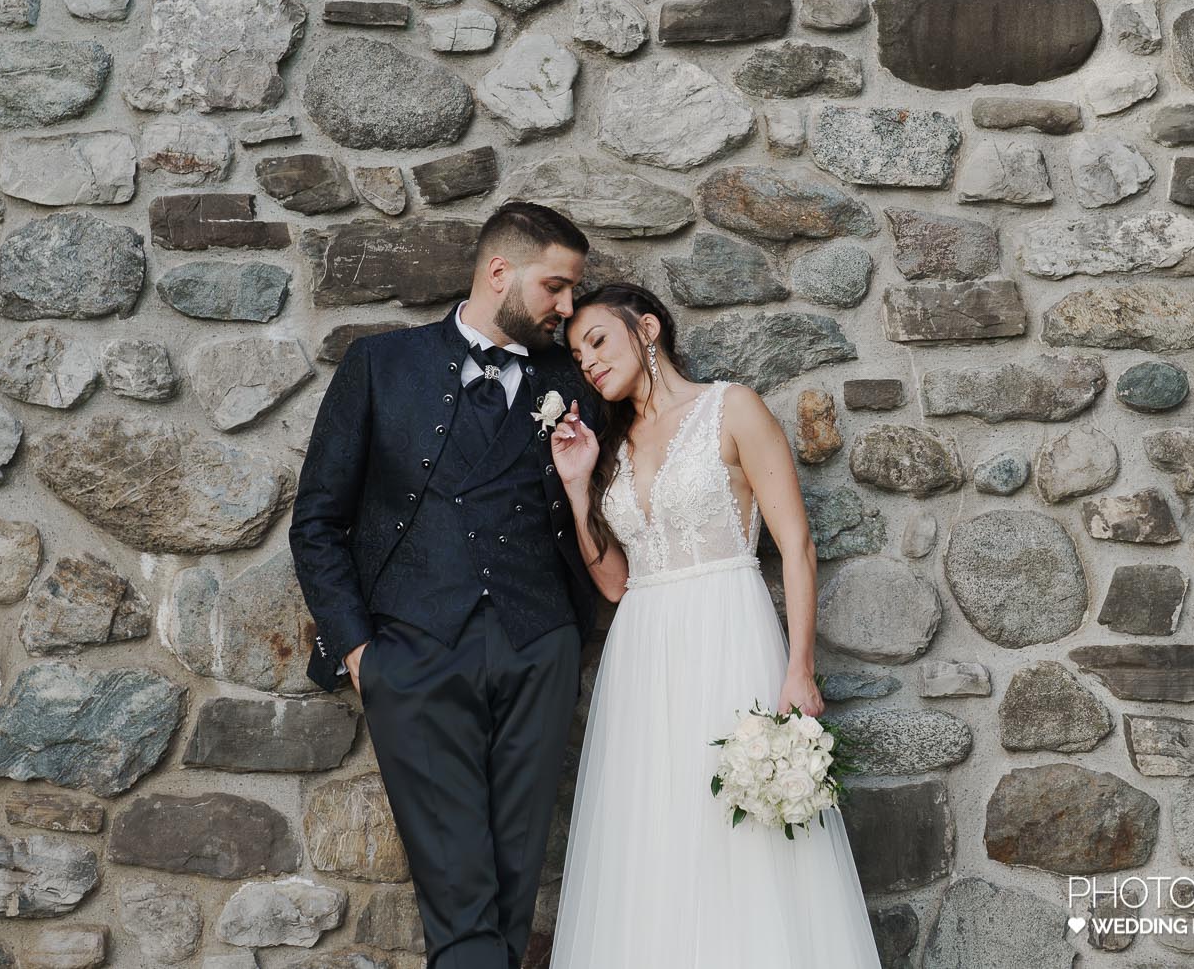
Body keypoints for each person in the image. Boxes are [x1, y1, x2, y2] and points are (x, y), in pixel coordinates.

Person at [289, 201, 606, 969]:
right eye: (555, 287)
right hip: (413, 655)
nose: (568, 308)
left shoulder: (571, 379)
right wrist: (362, 652)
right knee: (461, 896)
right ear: (499, 272)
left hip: (539, 652)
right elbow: (317, 521)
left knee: (509, 889)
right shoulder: (380, 365)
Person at [545, 280, 883, 968]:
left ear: (647, 327)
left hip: (726, 630)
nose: (590, 364)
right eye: (579, 358)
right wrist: (579, 491)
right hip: (643, 652)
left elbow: (796, 545)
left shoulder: (732, 408)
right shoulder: (611, 445)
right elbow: (614, 582)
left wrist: (799, 666)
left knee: (743, 839)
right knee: (654, 838)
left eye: (599, 341)